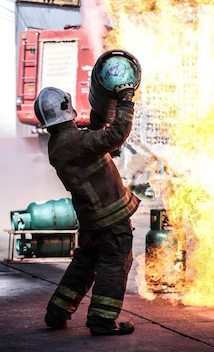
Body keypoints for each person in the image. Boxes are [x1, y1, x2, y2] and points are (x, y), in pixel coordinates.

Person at [34, 85, 140, 336]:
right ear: (65, 108)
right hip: (111, 218)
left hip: (92, 219)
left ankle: (58, 312)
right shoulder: (74, 141)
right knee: (114, 264)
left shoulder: (59, 143)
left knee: (84, 265)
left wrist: (95, 123)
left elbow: (91, 146)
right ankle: (102, 320)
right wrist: (125, 101)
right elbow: (116, 136)